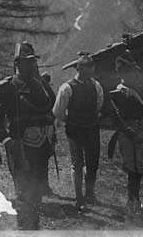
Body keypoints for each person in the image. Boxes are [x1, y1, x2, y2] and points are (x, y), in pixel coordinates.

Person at [0, 42, 56, 230]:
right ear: (17, 63)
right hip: (20, 146)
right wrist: (7, 141)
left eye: (33, 61)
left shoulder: (39, 85)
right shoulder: (7, 87)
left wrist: (52, 139)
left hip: (42, 146)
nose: (32, 65)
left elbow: (49, 110)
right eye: (28, 62)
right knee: (25, 195)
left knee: (37, 194)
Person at [53, 54, 104, 212]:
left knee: (92, 163)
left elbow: (98, 105)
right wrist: (70, 120)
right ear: (78, 69)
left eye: (91, 70)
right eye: (85, 70)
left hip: (92, 129)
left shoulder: (96, 86)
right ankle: (79, 197)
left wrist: (89, 118)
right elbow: (58, 111)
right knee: (77, 163)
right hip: (75, 130)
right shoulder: (67, 88)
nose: (89, 74)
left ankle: (89, 193)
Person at [108, 51, 143, 218]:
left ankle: (136, 198)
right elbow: (117, 118)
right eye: (130, 70)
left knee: (140, 165)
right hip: (128, 132)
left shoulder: (140, 89)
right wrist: (131, 133)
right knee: (132, 167)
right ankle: (132, 199)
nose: (134, 73)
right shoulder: (119, 92)